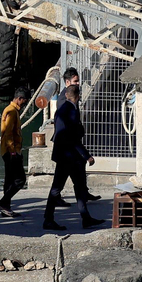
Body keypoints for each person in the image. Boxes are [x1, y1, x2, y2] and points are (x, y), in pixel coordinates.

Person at [43, 85, 106, 230]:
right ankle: (50, 219)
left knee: (74, 187)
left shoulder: (61, 109)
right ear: (77, 96)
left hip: (63, 155)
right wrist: (87, 155)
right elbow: (72, 137)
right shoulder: (72, 110)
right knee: (65, 188)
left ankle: (84, 217)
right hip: (70, 156)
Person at [54, 67, 101, 203]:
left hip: (68, 146)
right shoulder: (65, 100)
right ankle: (53, 208)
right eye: (75, 81)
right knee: (67, 177)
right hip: (67, 147)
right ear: (67, 83)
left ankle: (82, 197)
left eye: (78, 81)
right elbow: (66, 128)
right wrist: (85, 154)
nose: (78, 83)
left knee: (74, 174)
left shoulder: (70, 97)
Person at [0, 87, 29, 217]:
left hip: (7, 151)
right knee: (20, 180)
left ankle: (6, 208)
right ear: (19, 99)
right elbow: (8, 133)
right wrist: (13, 151)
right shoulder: (12, 112)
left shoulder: (11, 110)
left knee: (9, 180)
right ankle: (3, 203)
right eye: (24, 101)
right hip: (11, 152)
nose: (25, 104)